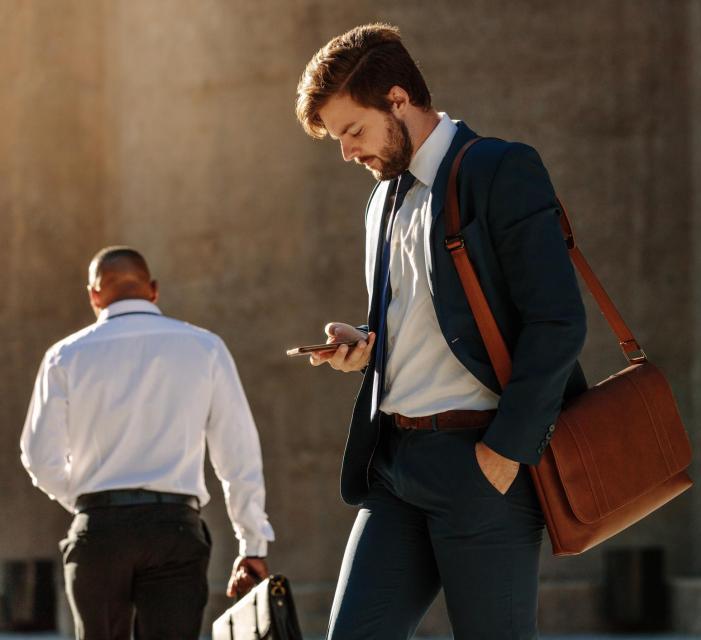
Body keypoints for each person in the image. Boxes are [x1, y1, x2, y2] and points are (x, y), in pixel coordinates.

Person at [295, 24, 587, 638]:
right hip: (395, 466)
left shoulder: (499, 169)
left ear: (398, 100)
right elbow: (421, 319)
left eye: (354, 131)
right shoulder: (383, 201)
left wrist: (506, 452)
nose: (348, 152)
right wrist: (366, 347)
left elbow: (557, 320)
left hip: (482, 465)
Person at [20, 246, 275, 640]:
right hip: (173, 530)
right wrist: (252, 543)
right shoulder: (205, 347)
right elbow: (237, 454)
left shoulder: (64, 356)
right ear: (153, 290)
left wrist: (89, 502)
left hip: (99, 531)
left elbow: (39, 458)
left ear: (94, 295)